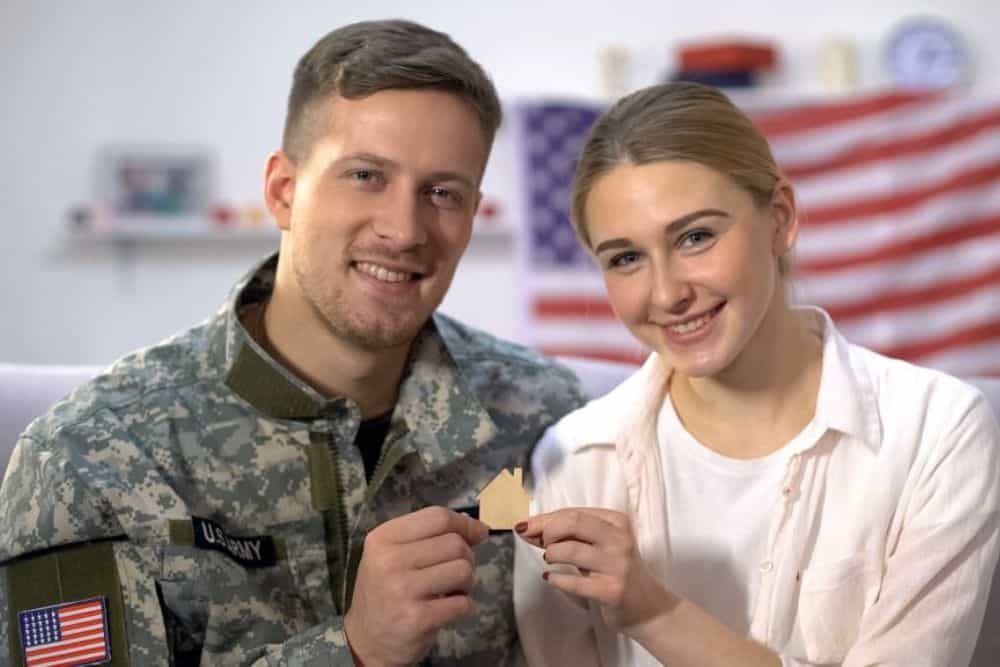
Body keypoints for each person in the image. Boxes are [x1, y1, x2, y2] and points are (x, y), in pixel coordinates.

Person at [0, 19, 585, 666]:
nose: (403, 228)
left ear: (472, 216)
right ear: (283, 191)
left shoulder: (544, 417)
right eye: (365, 175)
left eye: (442, 193)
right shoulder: (89, 456)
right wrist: (353, 649)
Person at [513, 81, 1000, 667]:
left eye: (696, 237)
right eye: (626, 258)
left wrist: (654, 614)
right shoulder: (573, 459)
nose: (667, 293)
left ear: (780, 219)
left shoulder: (938, 430)